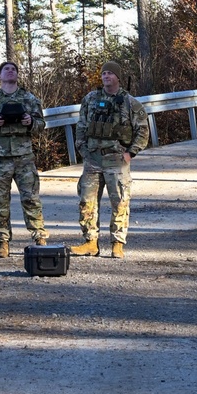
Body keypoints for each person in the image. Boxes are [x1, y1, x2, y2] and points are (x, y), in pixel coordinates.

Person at [71, 60, 150, 259]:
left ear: (118, 77)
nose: (106, 76)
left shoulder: (130, 102)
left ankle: (117, 244)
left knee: (120, 202)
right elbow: (81, 125)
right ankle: (90, 242)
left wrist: (130, 153)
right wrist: (83, 149)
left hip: (116, 159)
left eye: (110, 73)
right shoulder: (90, 99)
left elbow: (143, 130)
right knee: (87, 201)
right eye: (104, 73)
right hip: (93, 159)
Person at [0, 60, 48, 258]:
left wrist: (31, 122)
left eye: (13, 69)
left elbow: (42, 123)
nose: (10, 71)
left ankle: (39, 237)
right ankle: (3, 241)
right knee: (0, 201)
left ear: (17, 75)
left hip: (24, 157)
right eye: (6, 69)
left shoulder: (28, 98)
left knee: (31, 199)